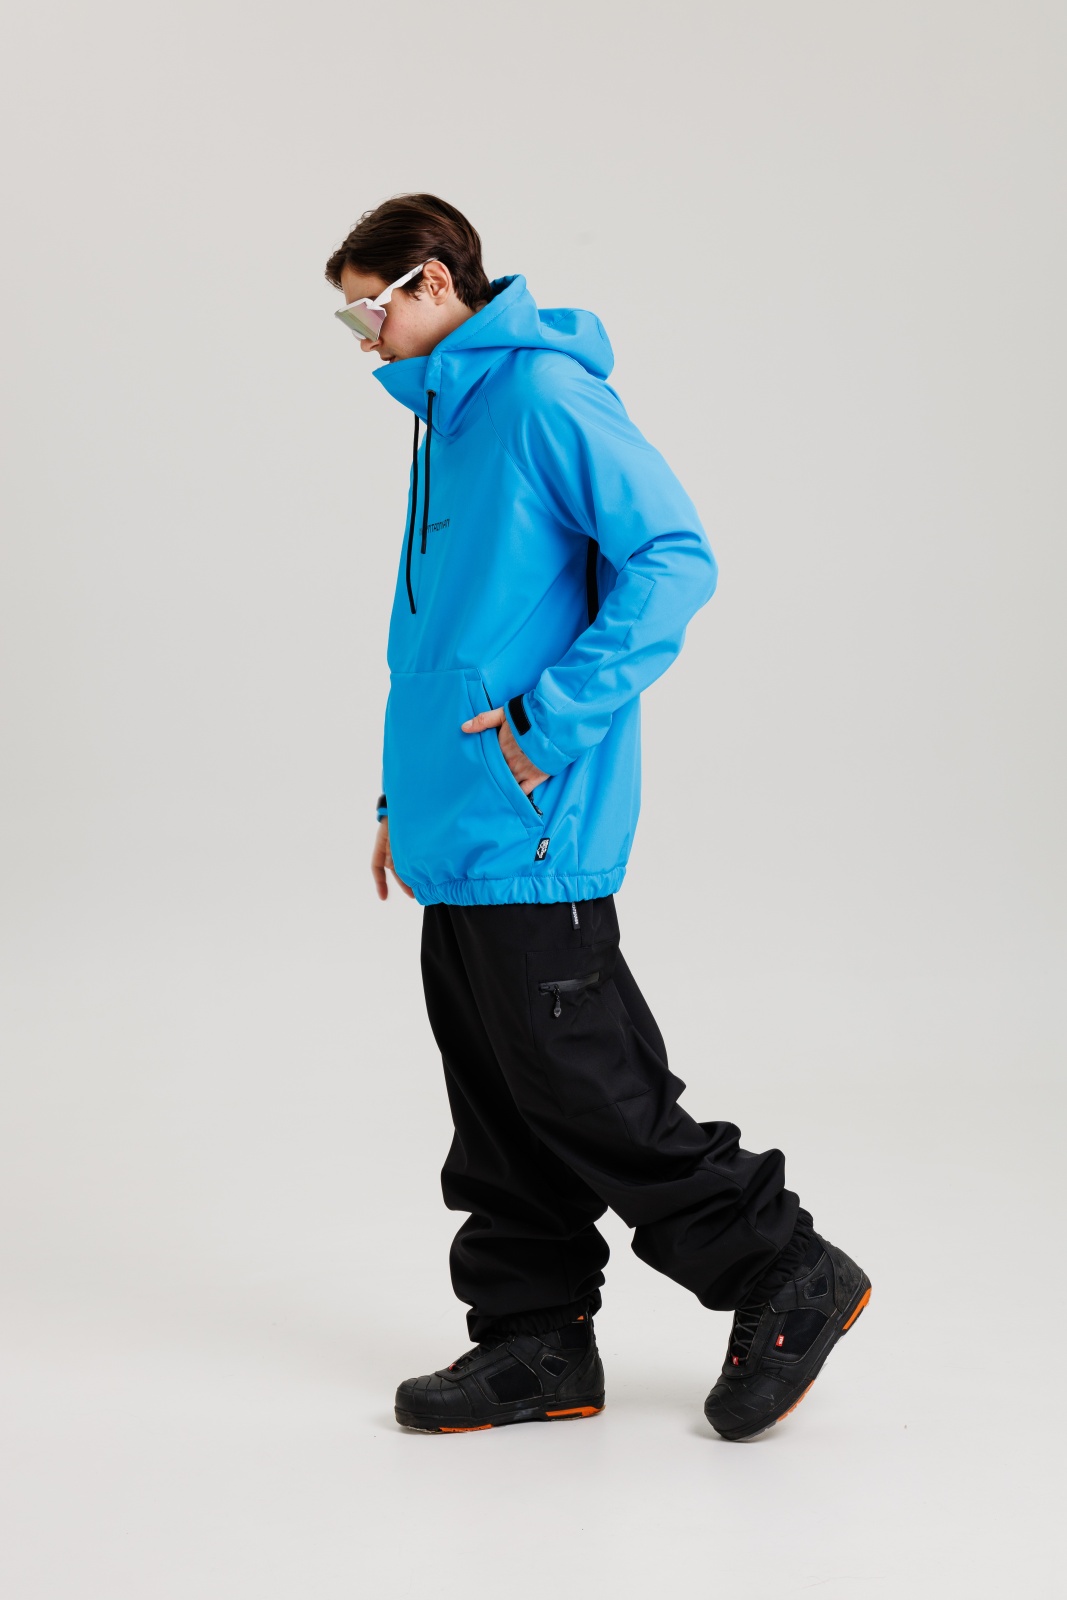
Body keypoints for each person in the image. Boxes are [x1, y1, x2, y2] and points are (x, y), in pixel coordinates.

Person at [325, 194, 870, 1441]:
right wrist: (401, 799)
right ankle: (535, 1340)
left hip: (532, 824)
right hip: (461, 830)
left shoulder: (540, 397)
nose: (363, 340)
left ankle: (783, 1268)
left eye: (367, 311)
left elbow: (673, 556)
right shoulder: (448, 424)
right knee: (498, 1105)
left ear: (430, 280)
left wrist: (547, 723)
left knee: (588, 1091)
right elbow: (439, 639)